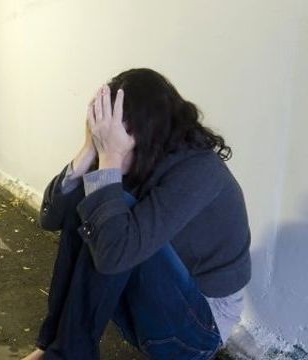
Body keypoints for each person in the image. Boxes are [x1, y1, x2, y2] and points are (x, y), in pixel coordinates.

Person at [22, 68, 251, 360]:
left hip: (197, 329)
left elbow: (114, 254)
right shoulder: (140, 158)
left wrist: (110, 159)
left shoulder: (200, 171)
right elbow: (50, 218)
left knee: (113, 208)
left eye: (115, 136)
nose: (110, 143)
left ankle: (67, 355)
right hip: (150, 309)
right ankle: (53, 347)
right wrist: (88, 152)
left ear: (146, 132)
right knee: (93, 198)